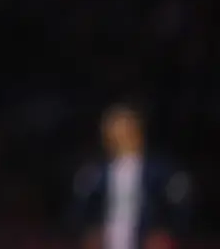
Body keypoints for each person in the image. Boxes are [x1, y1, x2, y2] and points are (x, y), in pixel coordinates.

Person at [72, 103, 191, 249]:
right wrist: (89, 232)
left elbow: (181, 206)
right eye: (114, 129)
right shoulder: (95, 172)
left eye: (126, 129)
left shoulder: (160, 170)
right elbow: (79, 210)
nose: (120, 135)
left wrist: (166, 233)